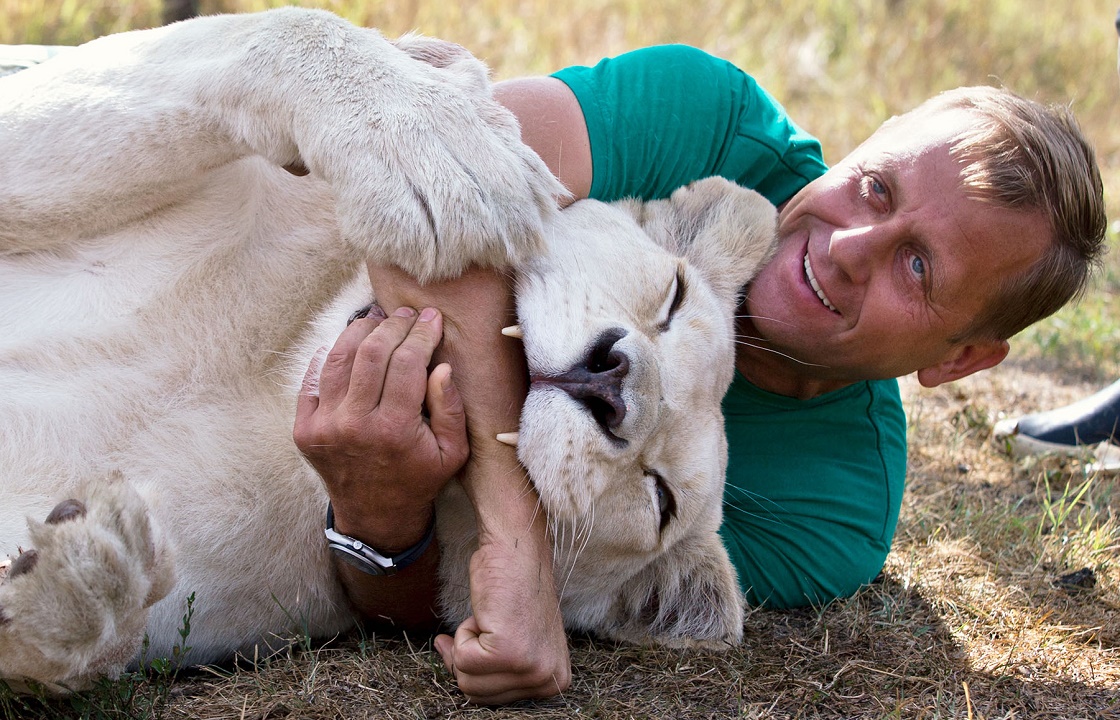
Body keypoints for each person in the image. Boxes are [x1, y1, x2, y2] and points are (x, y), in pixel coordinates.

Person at [294, 45, 1107, 705]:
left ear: (958, 359)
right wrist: (515, 530)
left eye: (919, 267)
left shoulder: (832, 513)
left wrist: (381, 514)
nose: (850, 247)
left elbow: (482, 607)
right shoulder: (710, 122)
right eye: (875, 186)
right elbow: (416, 171)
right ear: (870, 138)